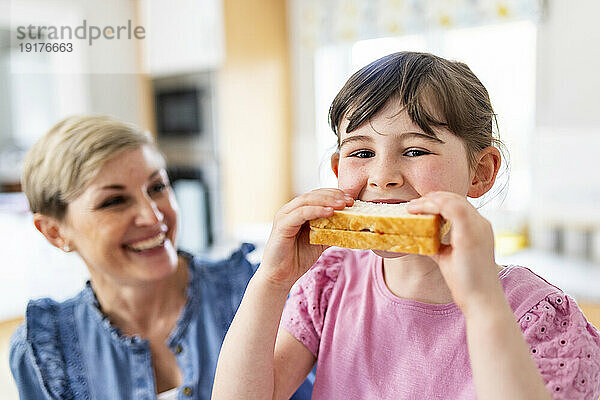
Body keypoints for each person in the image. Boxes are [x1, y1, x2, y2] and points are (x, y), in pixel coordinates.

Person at [212, 52, 600, 400]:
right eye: (361, 152)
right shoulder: (329, 283)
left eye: (415, 150)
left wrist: (482, 302)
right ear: (336, 169)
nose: (382, 176)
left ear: (480, 172)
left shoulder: (540, 316)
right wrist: (271, 280)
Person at [9, 116, 313, 400]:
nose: (152, 215)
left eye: (157, 187)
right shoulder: (44, 351)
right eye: (114, 201)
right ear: (53, 232)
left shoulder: (262, 292)